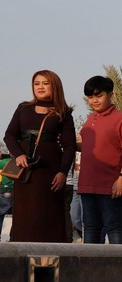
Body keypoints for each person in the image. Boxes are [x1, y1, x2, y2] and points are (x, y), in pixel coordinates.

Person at [3, 70, 77, 243]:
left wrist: (63, 172)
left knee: (49, 212)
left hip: (50, 169)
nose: (40, 87)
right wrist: (19, 154)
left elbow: (69, 146)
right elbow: (9, 135)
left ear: (54, 85)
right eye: (37, 83)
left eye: (45, 83)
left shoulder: (63, 112)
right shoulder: (23, 108)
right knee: (24, 213)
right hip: (24, 170)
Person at [76, 75, 122, 244]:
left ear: (111, 95)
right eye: (90, 97)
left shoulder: (121, 119)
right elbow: (89, 147)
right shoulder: (89, 120)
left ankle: (119, 267)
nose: (94, 100)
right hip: (87, 184)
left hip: (110, 185)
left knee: (114, 226)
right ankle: (90, 267)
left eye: (98, 95)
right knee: (90, 227)